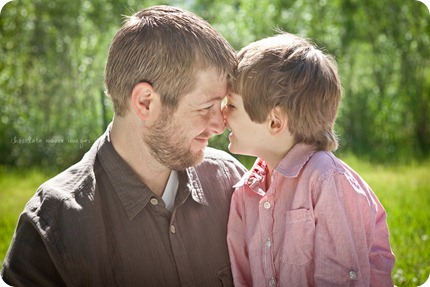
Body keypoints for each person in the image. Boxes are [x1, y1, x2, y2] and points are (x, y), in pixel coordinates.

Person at [1, 5, 246, 286]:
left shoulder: (232, 183)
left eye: (224, 106)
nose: (220, 125)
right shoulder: (54, 225)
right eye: (206, 107)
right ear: (145, 102)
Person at [223, 33, 395, 286]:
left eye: (232, 106)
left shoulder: (327, 180)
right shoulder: (244, 194)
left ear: (275, 122)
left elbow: (340, 277)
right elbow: (243, 277)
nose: (222, 113)